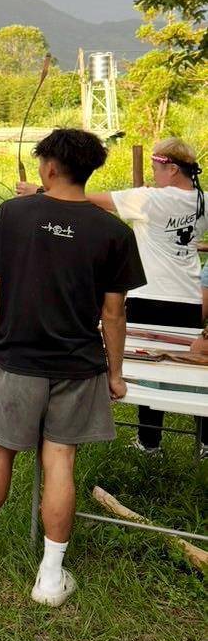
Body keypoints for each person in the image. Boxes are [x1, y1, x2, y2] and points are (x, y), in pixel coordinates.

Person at [0, 128, 144, 607]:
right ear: (88, 170)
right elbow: (114, 315)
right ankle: (50, 577)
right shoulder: (114, 232)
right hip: (80, 366)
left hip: (18, 360)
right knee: (61, 461)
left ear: (49, 168)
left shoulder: (12, 214)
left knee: (0, 452)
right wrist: (114, 373)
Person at [19, 136, 206, 453]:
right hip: (188, 296)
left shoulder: (149, 200)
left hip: (149, 294)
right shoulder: (203, 200)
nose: (153, 172)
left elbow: (88, 199)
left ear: (173, 168)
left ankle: (149, 442)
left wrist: (39, 192)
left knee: (147, 367)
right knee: (197, 369)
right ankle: (204, 442)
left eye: (157, 166)